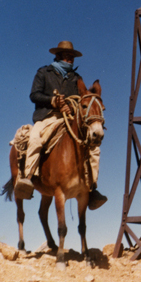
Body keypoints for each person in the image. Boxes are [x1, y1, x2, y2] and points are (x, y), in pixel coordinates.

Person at [14, 41, 107, 210]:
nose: (70, 59)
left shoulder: (76, 79)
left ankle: (92, 187)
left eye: (71, 57)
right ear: (57, 56)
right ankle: (28, 177)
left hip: (68, 118)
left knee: (93, 148)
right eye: (66, 56)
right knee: (35, 138)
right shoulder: (43, 72)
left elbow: (81, 99)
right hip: (47, 117)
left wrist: (69, 106)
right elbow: (34, 95)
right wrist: (53, 101)